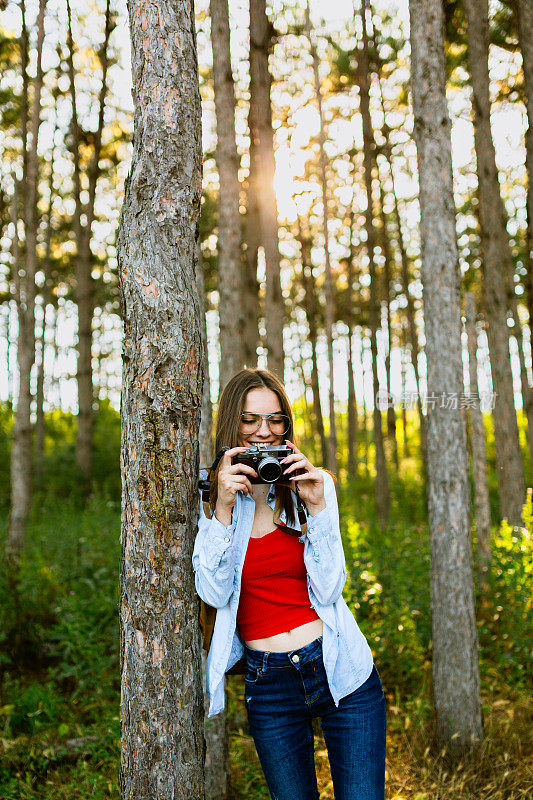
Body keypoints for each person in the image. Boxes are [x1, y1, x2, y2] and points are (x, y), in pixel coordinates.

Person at [192, 368, 386, 800]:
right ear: (231, 423)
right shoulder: (211, 495)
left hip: (340, 669)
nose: (263, 432)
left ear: (286, 425)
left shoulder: (310, 485)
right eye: (250, 420)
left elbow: (332, 587)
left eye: (275, 420)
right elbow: (213, 592)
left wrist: (316, 507)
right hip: (269, 685)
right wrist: (222, 509)